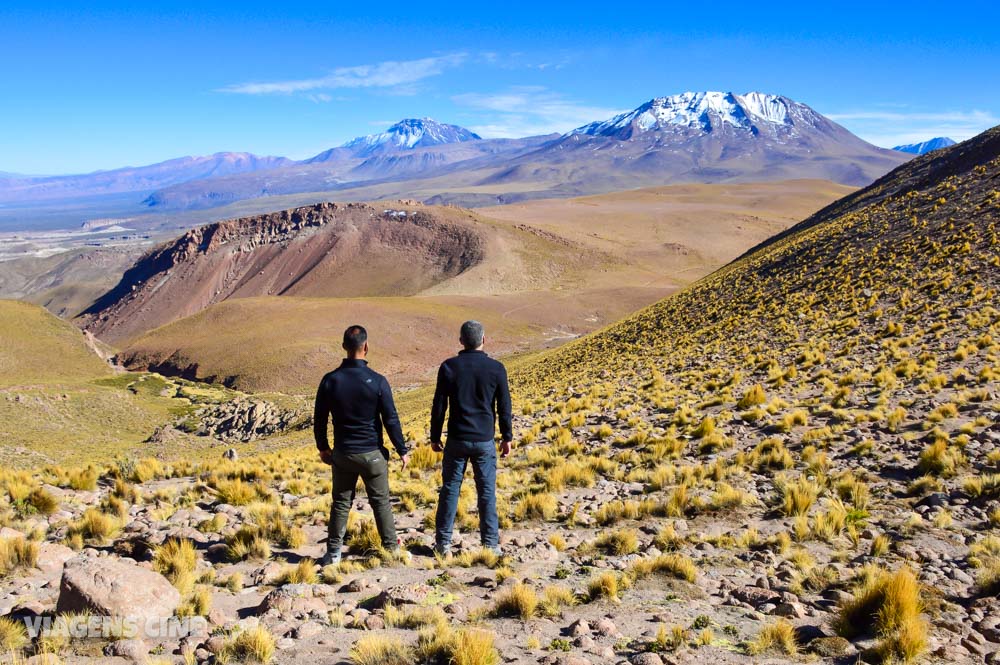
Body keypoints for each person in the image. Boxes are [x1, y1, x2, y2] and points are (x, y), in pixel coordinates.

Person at [314, 325, 410, 565]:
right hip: (372, 455)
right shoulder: (378, 381)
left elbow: (320, 418)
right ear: (366, 347)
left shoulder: (330, 381)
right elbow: (391, 419)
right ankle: (391, 548)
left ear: (344, 346)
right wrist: (402, 449)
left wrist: (323, 447)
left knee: (341, 503)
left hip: (344, 453)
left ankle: (333, 553)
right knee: (381, 503)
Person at [430, 320, 513, 556]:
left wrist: (435, 435)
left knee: (450, 490)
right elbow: (504, 407)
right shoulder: (496, 369)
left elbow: (439, 406)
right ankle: (490, 545)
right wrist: (507, 437)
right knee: (486, 492)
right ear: (484, 340)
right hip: (485, 440)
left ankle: (443, 544)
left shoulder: (449, 367)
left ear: (461, 341)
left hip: (456, 439)